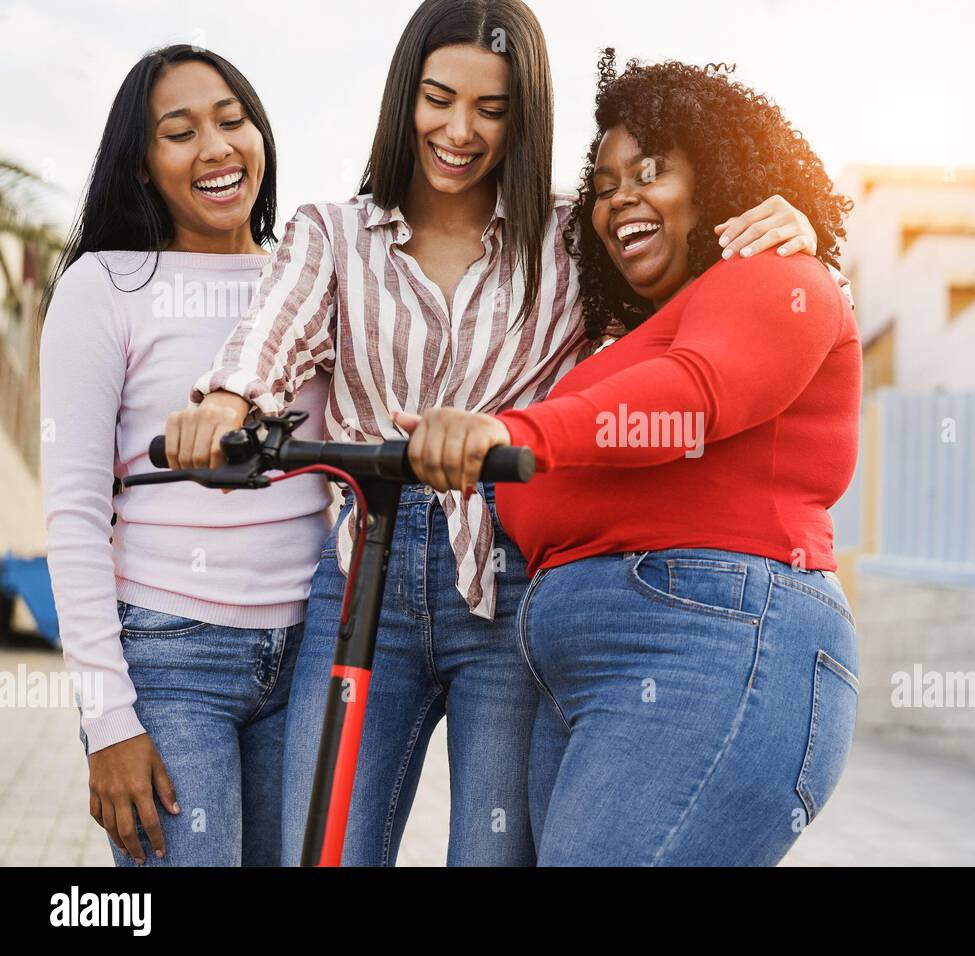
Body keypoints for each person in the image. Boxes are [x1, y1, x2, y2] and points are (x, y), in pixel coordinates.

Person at [167, 0, 839, 866]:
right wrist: (224, 411)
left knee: (495, 854)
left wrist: (803, 240)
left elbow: (686, 307)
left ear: (524, 120)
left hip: (514, 581)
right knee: (320, 845)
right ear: (404, 95)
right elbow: (269, 340)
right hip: (360, 570)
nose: (459, 131)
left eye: (492, 109)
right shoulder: (331, 234)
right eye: (438, 99)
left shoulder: (571, 237)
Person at [401, 52, 862, 865]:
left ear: (720, 177)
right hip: (589, 678)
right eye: (605, 186)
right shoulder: (622, 343)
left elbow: (693, 395)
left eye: (649, 172)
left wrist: (513, 434)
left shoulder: (774, 278)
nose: (620, 201)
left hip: (708, 647)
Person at [39, 45, 332, 866]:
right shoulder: (107, 286)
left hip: (310, 657)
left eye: (232, 120)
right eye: (181, 132)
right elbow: (74, 514)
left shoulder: (307, 284)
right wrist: (107, 719)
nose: (215, 146)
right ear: (142, 167)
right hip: (172, 661)